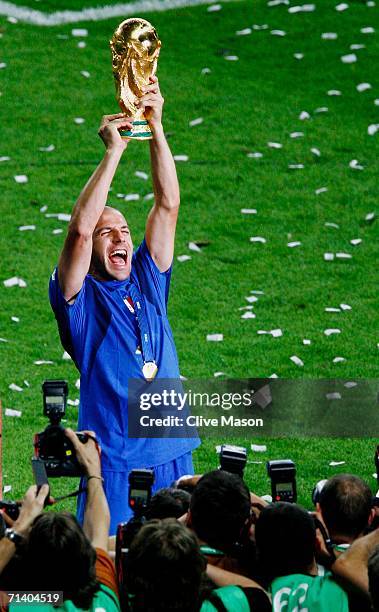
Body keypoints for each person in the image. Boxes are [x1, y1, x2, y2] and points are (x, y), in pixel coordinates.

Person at [49, 76, 199, 533]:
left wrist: (155, 128)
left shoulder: (146, 277)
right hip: (114, 461)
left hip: (173, 451)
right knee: (108, 567)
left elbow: (168, 204)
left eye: (124, 231)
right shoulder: (79, 299)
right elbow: (77, 230)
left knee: (180, 564)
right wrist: (113, 152)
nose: (119, 236)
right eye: (106, 231)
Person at [0, 429, 120, 610]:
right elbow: (99, 530)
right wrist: (93, 470)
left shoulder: (17, 606)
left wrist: (20, 526)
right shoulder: (104, 600)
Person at [255, 501, 379, 611]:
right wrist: (329, 548)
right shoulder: (337, 587)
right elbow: (348, 562)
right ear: (317, 544)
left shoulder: (248, 589)